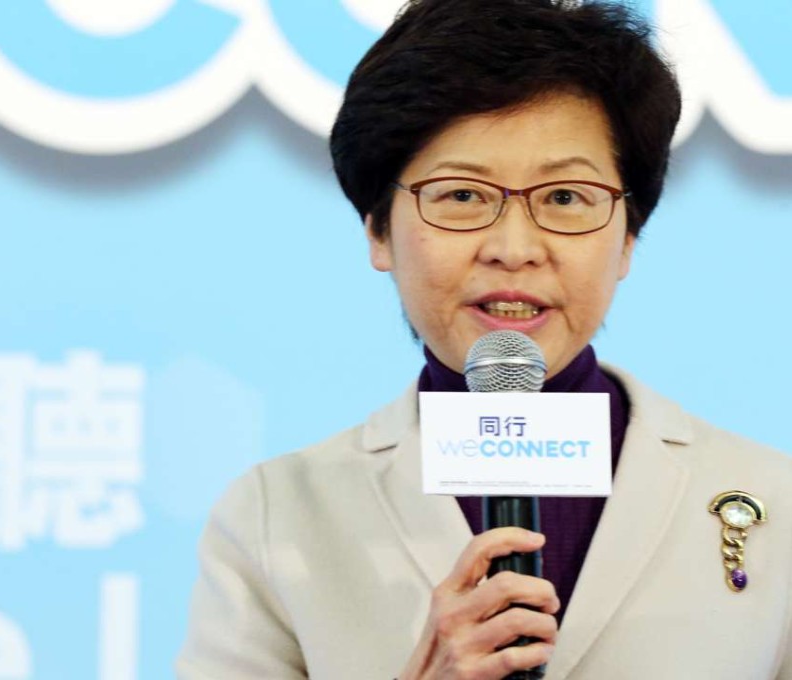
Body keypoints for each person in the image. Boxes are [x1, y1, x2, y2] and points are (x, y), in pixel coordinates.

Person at [177, 1, 792, 678]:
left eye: (564, 198)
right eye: (463, 195)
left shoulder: (770, 497)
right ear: (379, 229)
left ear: (628, 238)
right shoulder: (276, 516)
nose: (514, 248)